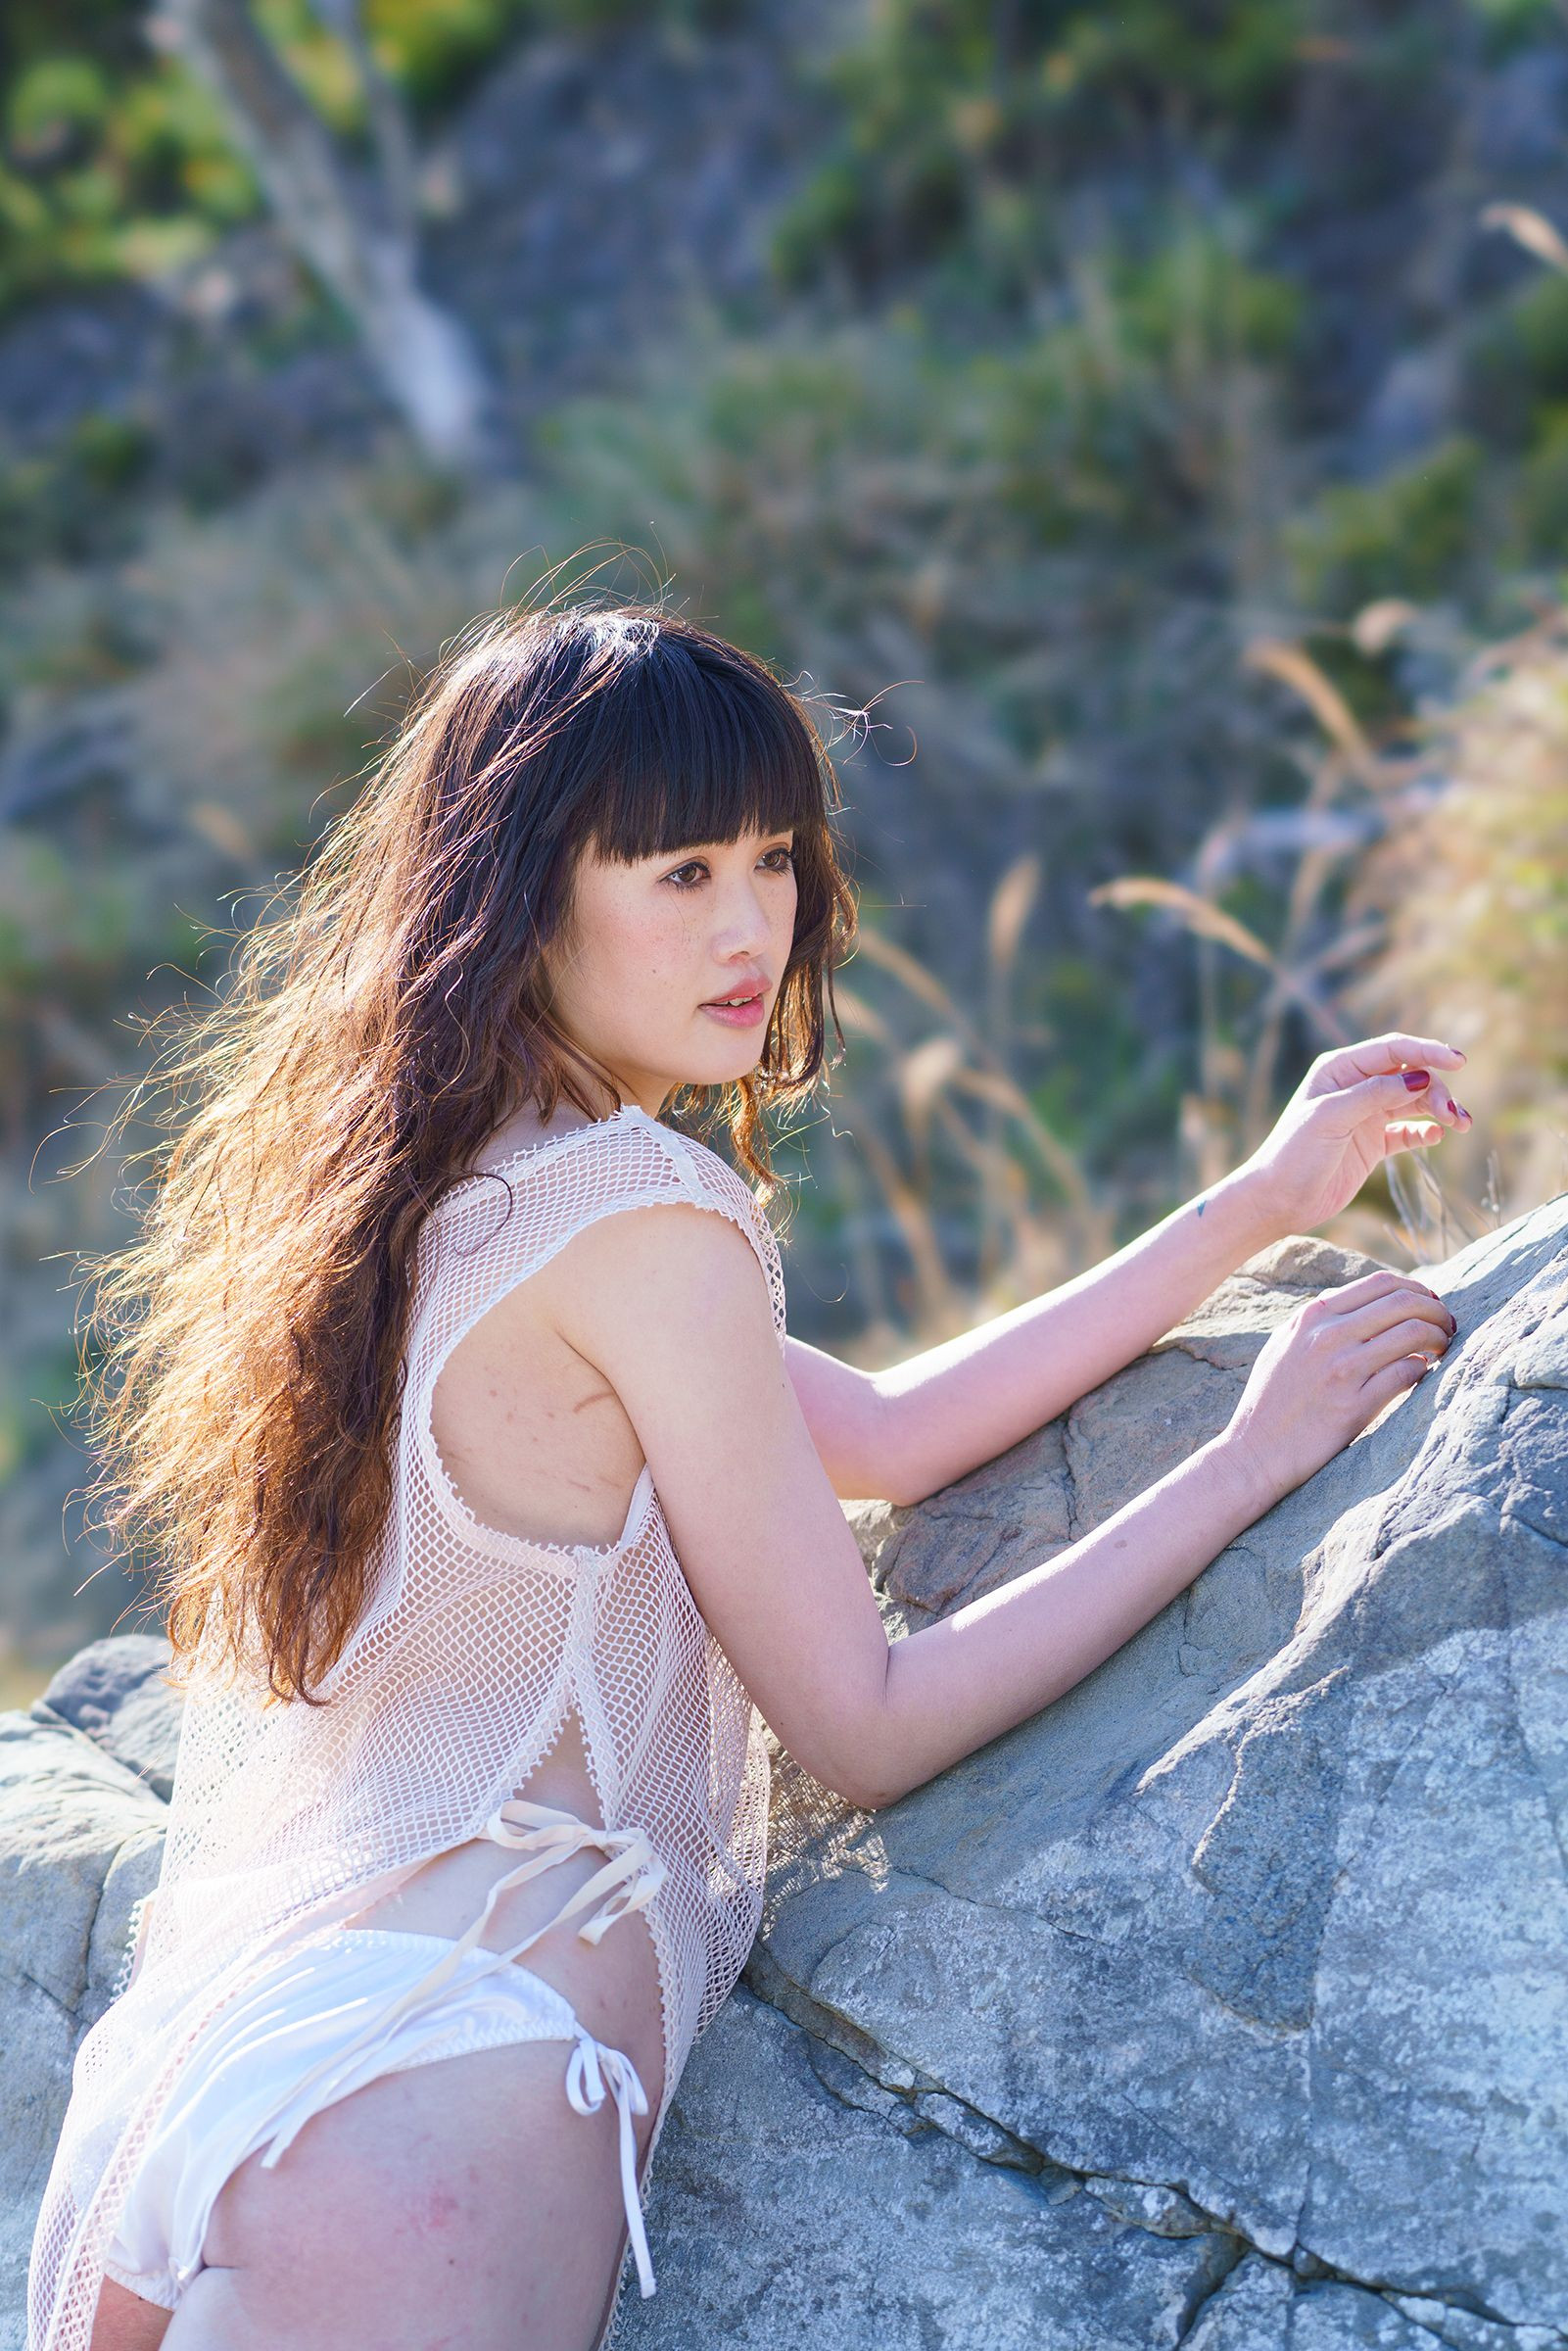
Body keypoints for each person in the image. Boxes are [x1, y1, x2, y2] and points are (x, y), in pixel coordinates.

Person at [28, 596, 1468, 2351]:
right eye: (678, 872)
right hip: (448, 2100)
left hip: (238, 2071)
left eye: (771, 858)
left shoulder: (430, 1188)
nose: (750, 928)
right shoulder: (642, 1214)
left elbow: (881, 1436)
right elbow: (866, 1726)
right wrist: (1251, 1461)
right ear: (521, 894)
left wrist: (1257, 1202)